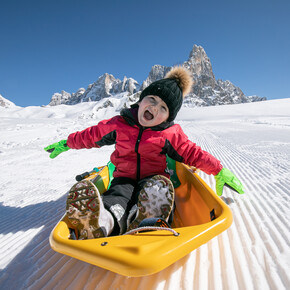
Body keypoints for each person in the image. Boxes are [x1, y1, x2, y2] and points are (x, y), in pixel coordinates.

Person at [44, 67, 244, 239]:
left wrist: (218, 170)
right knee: (116, 200)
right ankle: (102, 222)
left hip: (154, 180)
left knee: (157, 193)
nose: (155, 107)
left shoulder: (169, 134)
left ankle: (148, 220)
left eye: (164, 107)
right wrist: (67, 143)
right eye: (152, 99)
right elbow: (92, 135)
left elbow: (192, 153)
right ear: (140, 100)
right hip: (123, 178)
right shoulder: (119, 124)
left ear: (168, 117)